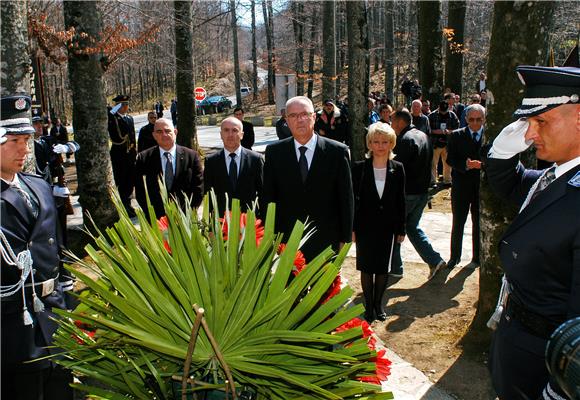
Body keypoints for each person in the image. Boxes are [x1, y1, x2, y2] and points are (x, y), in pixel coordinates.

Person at [486, 65, 580, 400]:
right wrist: (501, 150)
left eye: (541, 121)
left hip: (548, 365)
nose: (531, 133)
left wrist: (561, 388)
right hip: (518, 347)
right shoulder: (553, 178)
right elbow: (507, 182)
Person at [1, 94, 74, 400]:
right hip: (11, 324)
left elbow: (55, 247)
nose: (24, 149)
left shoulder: (39, 185)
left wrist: (66, 301)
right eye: (14, 141)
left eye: (27, 139)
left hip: (52, 314)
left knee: (60, 389)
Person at [262, 96, 354, 261]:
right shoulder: (274, 153)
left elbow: (346, 198)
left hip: (326, 240)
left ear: (314, 117)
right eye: (293, 116)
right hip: (286, 242)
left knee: (325, 287)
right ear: (286, 121)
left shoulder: (338, 153)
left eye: (305, 114)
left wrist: (345, 239)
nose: (300, 120)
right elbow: (268, 198)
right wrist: (269, 238)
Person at [352, 122, 405, 322]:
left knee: (383, 267)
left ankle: (378, 304)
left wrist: (401, 228)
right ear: (370, 144)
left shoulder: (398, 169)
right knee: (366, 266)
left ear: (391, 143)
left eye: (384, 142)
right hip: (365, 226)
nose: (380, 145)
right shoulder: (359, 169)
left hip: (388, 227)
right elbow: (353, 201)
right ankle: (367, 306)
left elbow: (401, 200)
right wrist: (353, 228)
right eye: (376, 141)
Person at [390, 110, 446, 280]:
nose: (391, 125)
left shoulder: (405, 140)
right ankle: (434, 259)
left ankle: (395, 267)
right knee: (412, 228)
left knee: (395, 229)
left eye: (392, 121)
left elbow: (398, 168)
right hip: (422, 191)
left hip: (408, 193)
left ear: (400, 122)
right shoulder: (423, 135)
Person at [134, 118, 203, 219]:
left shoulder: (191, 156)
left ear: (175, 132)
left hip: (186, 217)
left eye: (167, 131)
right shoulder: (143, 159)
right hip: (156, 219)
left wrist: (189, 212)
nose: (164, 135)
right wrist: (153, 214)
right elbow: (140, 191)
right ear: (154, 135)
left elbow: (199, 188)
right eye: (159, 132)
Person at [445, 104, 485, 269]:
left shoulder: (489, 136)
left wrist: (482, 165)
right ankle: (454, 257)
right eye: (471, 120)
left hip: (481, 188)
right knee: (458, 222)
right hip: (461, 186)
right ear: (466, 119)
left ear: (484, 119)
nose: (475, 123)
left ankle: (477, 257)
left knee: (478, 222)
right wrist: (466, 165)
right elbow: (450, 159)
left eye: (479, 120)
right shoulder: (456, 136)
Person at [204, 117, 264, 215]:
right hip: (221, 222)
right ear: (221, 134)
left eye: (235, 130)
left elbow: (263, 194)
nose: (230, 134)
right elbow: (208, 195)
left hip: (249, 222)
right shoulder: (211, 161)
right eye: (226, 130)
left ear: (242, 135)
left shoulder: (256, 159)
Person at [108, 94, 137, 216]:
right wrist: (113, 110)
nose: (126, 107)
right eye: (123, 104)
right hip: (119, 154)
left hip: (130, 154)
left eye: (127, 104)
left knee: (130, 180)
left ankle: (128, 203)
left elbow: (132, 137)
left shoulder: (129, 118)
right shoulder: (113, 119)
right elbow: (108, 116)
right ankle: (124, 204)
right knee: (122, 179)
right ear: (118, 106)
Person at [428, 100, 459, 186]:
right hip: (435, 143)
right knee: (433, 163)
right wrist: (435, 131)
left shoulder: (452, 115)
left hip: (448, 143)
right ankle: (433, 181)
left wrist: (449, 131)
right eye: (442, 111)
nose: (444, 113)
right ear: (438, 107)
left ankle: (447, 180)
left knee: (448, 163)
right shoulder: (431, 116)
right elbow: (428, 130)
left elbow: (457, 128)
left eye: (445, 111)